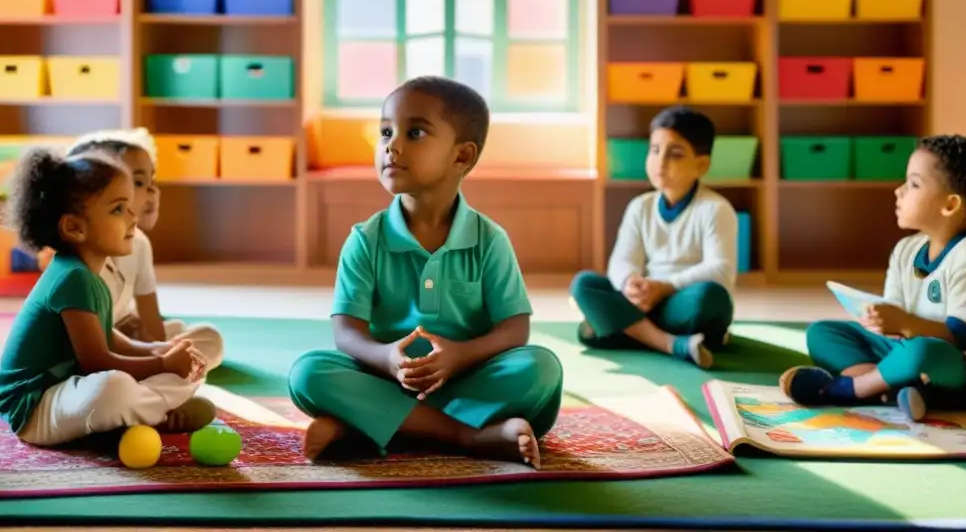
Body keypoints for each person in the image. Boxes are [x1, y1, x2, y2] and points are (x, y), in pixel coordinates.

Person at [288, 76, 563, 466]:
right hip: (386, 380)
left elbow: (515, 329)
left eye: (414, 132)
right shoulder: (365, 240)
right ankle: (469, 435)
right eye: (386, 131)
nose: (391, 146)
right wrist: (384, 358)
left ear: (461, 157)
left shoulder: (489, 239)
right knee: (309, 373)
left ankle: (368, 426)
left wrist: (460, 356)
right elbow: (346, 332)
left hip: (469, 381)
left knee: (540, 368)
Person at [781, 135, 966, 421]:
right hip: (908, 348)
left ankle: (852, 388)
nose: (898, 191)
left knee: (923, 352)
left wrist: (904, 324)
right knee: (824, 333)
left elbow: (962, 336)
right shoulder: (907, 249)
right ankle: (895, 389)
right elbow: (895, 317)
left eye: (914, 184)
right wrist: (881, 320)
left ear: (950, 205)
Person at [0, 148, 213, 447]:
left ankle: (134, 416)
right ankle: (154, 414)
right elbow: (97, 362)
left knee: (198, 352)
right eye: (117, 209)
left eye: (129, 206)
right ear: (74, 227)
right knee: (113, 388)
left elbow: (108, 338)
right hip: (33, 410)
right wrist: (164, 364)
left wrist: (159, 349)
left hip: (66, 392)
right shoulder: (72, 277)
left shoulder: (84, 274)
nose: (133, 217)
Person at [570, 106, 737, 369]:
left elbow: (720, 270)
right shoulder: (640, 206)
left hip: (681, 302)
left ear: (702, 164)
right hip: (645, 302)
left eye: (675, 154)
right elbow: (622, 260)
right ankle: (673, 344)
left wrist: (665, 286)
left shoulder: (716, 209)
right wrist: (630, 284)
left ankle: (624, 329)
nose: (660, 161)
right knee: (584, 283)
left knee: (709, 296)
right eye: (655, 150)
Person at [64, 129, 224, 369]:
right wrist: (159, 361)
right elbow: (87, 339)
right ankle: (158, 381)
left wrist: (162, 353)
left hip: (125, 336)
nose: (152, 191)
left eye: (152, 181)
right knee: (110, 383)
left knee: (208, 337)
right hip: (84, 348)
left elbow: (152, 323)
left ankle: (159, 378)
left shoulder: (139, 243)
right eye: (138, 182)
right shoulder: (81, 251)